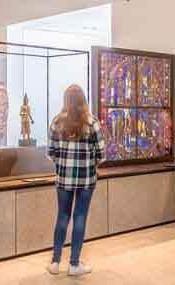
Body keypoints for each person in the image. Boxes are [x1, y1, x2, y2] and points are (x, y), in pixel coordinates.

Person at [46, 85, 106, 277]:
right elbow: (101, 153)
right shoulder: (92, 122)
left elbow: (51, 153)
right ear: (83, 99)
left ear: (66, 99)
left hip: (63, 179)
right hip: (87, 179)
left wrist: (63, 164)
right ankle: (74, 264)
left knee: (62, 216)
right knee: (80, 217)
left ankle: (55, 262)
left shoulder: (57, 122)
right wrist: (90, 163)